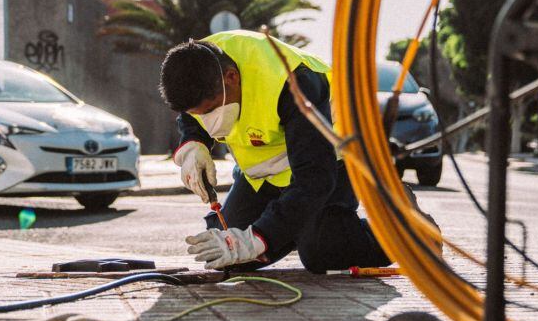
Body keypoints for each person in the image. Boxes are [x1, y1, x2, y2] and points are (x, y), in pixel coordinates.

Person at [160, 30, 425, 273]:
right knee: (228, 247)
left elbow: (314, 180)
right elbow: (191, 113)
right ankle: (297, 227)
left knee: (321, 249)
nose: (208, 122)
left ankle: (404, 227)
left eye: (210, 111)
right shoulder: (200, 64)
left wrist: (258, 238)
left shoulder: (293, 83)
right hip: (266, 174)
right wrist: (194, 145)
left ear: (232, 77)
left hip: (331, 160)